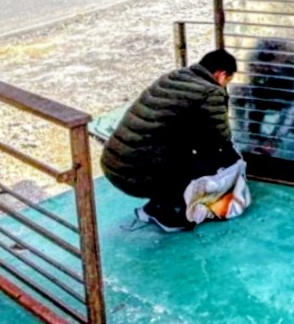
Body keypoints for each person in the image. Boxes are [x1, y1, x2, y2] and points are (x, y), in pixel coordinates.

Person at [100, 49, 243, 232]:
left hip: (113, 163)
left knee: (171, 151)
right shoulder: (211, 91)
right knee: (207, 161)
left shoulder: (175, 76)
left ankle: (153, 208)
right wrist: (235, 162)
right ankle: (170, 218)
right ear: (221, 74)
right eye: (227, 81)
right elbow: (220, 137)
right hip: (136, 175)